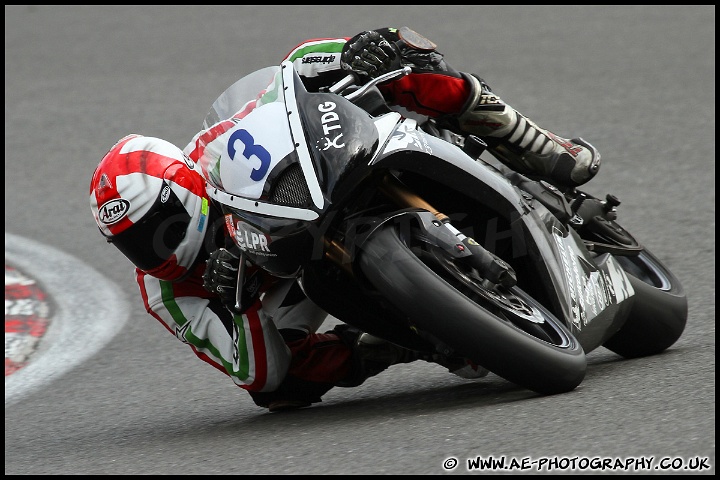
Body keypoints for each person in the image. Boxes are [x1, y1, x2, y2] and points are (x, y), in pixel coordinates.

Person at [89, 26, 600, 413]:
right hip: (289, 279)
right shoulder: (169, 294)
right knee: (281, 391)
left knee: (407, 64)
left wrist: (351, 52)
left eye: (166, 228)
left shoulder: (214, 152)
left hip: (326, 175)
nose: (159, 251)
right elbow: (252, 370)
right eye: (137, 247)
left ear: (188, 188)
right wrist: (237, 303)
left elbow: (289, 73)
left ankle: (538, 144)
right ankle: (417, 339)